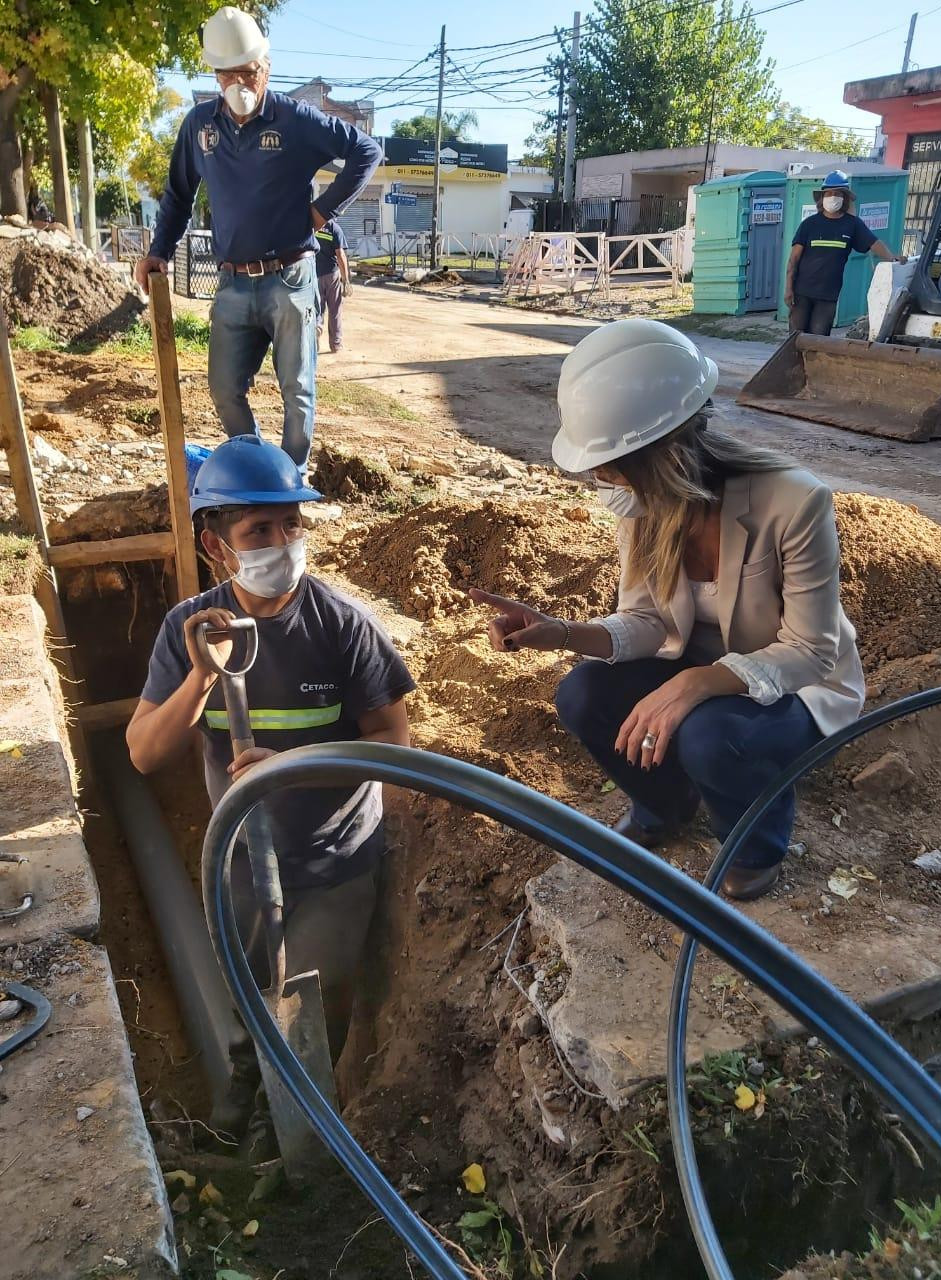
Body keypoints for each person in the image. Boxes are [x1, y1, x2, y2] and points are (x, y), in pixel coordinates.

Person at [471, 319, 865, 902]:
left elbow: (810, 650)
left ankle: (754, 843)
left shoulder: (795, 501)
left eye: (610, 465)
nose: (600, 478)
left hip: (797, 686)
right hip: (701, 672)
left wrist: (696, 684)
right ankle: (665, 803)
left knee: (709, 735)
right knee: (581, 694)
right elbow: (647, 621)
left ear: (662, 454)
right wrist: (565, 633)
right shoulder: (641, 504)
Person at [126, 434, 415, 1140]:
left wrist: (298, 762)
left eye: (293, 524)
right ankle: (241, 1107)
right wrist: (201, 674)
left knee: (310, 1012)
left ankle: (305, 1151)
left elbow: (395, 743)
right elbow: (142, 754)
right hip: (240, 865)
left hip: (333, 862)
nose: (283, 541)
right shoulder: (187, 629)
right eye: (260, 529)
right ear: (217, 545)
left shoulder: (344, 627)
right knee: (245, 999)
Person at [134, 6, 381, 475]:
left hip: (289, 279)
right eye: (228, 75)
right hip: (231, 284)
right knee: (224, 389)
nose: (239, 85)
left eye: (248, 73)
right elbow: (179, 194)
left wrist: (322, 210)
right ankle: (258, 470)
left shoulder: (295, 119)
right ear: (216, 74)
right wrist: (158, 253)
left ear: (265, 68)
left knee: (298, 393)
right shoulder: (200, 127)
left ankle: (288, 483)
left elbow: (366, 152)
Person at [785, 170, 906, 336]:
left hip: (828, 296)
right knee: (795, 340)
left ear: (845, 198)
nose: (832, 197)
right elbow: (793, 259)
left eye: (837, 193)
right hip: (801, 293)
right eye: (829, 193)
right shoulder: (809, 224)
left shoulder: (853, 225)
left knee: (819, 340)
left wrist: (892, 257)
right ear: (822, 197)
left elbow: (874, 243)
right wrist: (788, 288)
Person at [315, 216, 352, 354]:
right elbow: (340, 254)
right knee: (335, 309)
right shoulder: (334, 229)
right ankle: (336, 344)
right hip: (332, 275)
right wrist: (346, 279)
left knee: (316, 307)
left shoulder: (313, 228)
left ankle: (317, 327)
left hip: (315, 274)